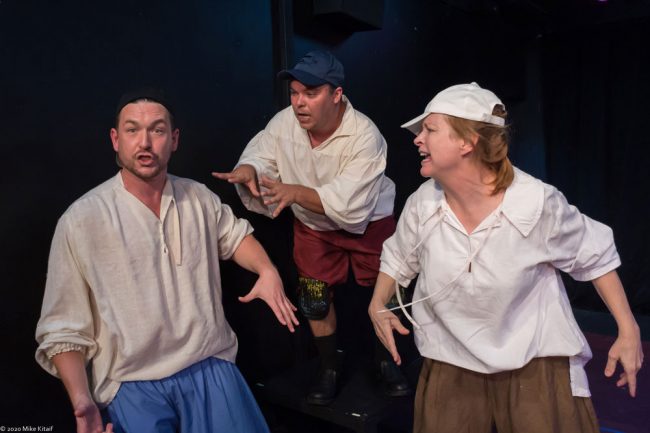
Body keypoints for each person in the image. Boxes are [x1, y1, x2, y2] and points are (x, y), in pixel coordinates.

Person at [369, 82, 644, 433]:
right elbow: (397, 257)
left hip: (532, 362)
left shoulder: (535, 203)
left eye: (430, 129)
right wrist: (378, 301)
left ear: (467, 143)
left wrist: (628, 329)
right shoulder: (423, 203)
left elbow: (596, 254)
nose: (417, 139)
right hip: (451, 358)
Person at [35, 89, 299, 433]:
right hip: (131, 381)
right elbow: (63, 328)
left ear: (174, 140)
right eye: (132, 130)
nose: (144, 142)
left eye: (157, 130)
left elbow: (234, 237)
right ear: (115, 139)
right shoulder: (82, 219)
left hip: (207, 364)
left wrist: (266, 269)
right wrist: (81, 401)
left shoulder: (198, 197)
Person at [213, 51, 410, 405]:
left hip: (368, 223)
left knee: (388, 290)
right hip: (313, 225)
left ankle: (387, 361)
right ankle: (328, 366)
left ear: (337, 94)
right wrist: (250, 171)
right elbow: (261, 153)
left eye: (311, 93)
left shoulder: (364, 135)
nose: (299, 103)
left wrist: (294, 191)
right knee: (314, 297)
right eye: (294, 93)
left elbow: (350, 203)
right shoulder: (284, 123)